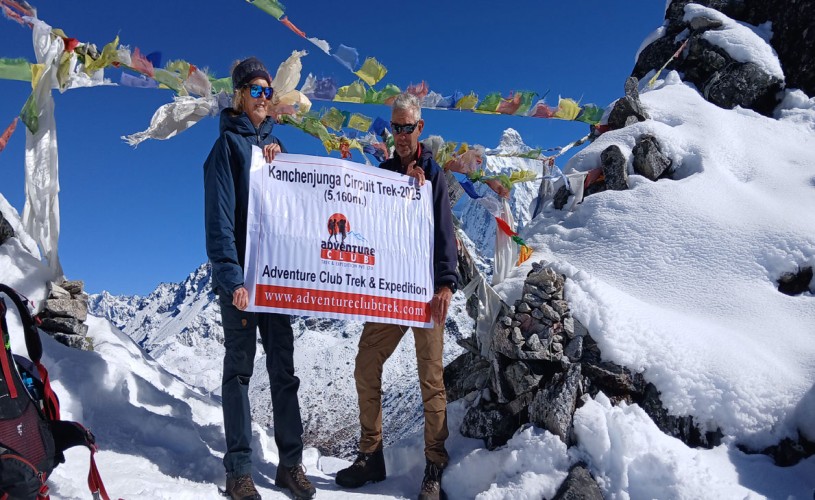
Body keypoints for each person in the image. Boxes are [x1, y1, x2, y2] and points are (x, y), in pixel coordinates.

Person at [335, 93, 459, 500]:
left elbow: (445, 231)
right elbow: (359, 206)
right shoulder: (386, 172)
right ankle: (371, 456)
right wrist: (344, 166)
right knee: (366, 364)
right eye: (396, 127)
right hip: (390, 292)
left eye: (408, 127)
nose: (401, 134)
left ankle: (434, 466)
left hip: (424, 293)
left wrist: (445, 284)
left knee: (431, 379)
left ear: (419, 128)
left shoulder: (434, 176)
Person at [204, 56, 316, 500]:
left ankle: (291, 465)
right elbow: (219, 223)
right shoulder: (225, 151)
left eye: (268, 91)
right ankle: (239, 470)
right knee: (239, 374)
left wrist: (280, 167)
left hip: (276, 280)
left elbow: (296, 213)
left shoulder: (277, 151)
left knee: (284, 372)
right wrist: (233, 280)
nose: (262, 98)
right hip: (243, 283)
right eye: (254, 89)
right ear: (238, 95)